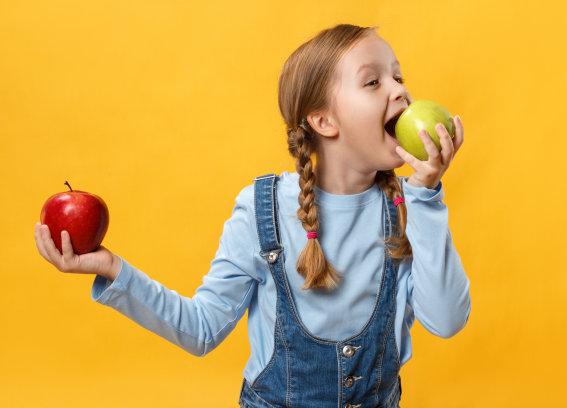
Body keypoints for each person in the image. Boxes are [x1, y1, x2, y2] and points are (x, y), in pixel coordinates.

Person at [34, 23, 470, 408]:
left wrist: (427, 195)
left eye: (398, 76)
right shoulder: (265, 212)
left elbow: (447, 321)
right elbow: (201, 329)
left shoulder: (408, 208)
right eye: (373, 82)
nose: (401, 91)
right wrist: (112, 268)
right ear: (323, 120)